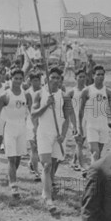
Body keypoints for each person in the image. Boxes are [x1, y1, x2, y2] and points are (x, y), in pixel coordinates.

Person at [31, 67, 73, 212]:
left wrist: (63, 134)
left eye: (58, 78)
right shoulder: (39, 94)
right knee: (47, 165)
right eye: (52, 77)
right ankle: (48, 198)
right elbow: (34, 115)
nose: (55, 80)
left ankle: (47, 187)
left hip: (58, 135)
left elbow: (67, 118)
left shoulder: (65, 96)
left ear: (61, 80)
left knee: (54, 164)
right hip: (43, 133)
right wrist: (46, 105)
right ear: (47, 79)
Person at [0, 69, 32, 198]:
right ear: (11, 79)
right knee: (11, 157)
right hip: (9, 127)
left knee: (18, 157)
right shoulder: (5, 96)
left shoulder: (26, 95)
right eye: (15, 78)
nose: (18, 81)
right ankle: (14, 185)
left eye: (20, 79)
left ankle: (11, 175)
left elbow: (32, 113)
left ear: (23, 80)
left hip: (22, 127)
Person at [79, 65, 111, 162]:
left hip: (103, 125)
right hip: (91, 126)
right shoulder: (86, 91)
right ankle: (93, 175)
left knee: (99, 154)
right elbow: (81, 110)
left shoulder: (108, 92)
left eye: (102, 75)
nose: (100, 77)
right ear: (93, 76)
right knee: (95, 152)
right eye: (98, 74)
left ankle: (93, 172)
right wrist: (79, 126)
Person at [67, 69, 87, 172]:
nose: (82, 79)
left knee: (81, 142)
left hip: (86, 120)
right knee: (79, 143)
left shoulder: (88, 90)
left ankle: (73, 162)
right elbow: (67, 107)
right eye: (80, 77)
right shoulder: (71, 92)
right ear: (76, 78)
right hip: (75, 120)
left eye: (84, 77)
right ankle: (82, 166)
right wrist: (73, 124)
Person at [25, 72, 42, 181]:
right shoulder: (27, 93)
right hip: (31, 121)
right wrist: (34, 125)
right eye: (34, 80)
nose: (37, 82)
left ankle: (31, 162)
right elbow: (30, 111)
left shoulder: (43, 92)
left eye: (38, 80)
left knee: (40, 147)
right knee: (34, 147)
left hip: (43, 121)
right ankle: (37, 171)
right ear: (30, 81)